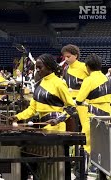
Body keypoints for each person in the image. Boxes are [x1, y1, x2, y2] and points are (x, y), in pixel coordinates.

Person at [9, 54, 76, 132]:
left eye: (40, 67)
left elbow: (71, 107)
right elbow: (32, 109)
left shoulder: (59, 83)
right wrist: (17, 117)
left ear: (49, 67)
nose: (37, 70)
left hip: (56, 127)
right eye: (36, 68)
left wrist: (58, 120)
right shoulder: (38, 84)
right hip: (43, 126)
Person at [75, 54, 111, 180]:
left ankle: (81, 173)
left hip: (94, 115)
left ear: (88, 67)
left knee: (87, 144)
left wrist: (84, 102)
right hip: (108, 114)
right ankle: (101, 172)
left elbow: (79, 100)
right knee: (105, 143)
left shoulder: (88, 80)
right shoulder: (107, 79)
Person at [61, 44, 91, 176]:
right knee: (71, 133)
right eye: (65, 57)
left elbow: (92, 84)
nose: (66, 59)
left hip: (84, 105)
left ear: (76, 56)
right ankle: (74, 163)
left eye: (69, 56)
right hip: (70, 105)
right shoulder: (66, 69)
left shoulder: (85, 67)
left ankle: (83, 167)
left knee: (84, 136)